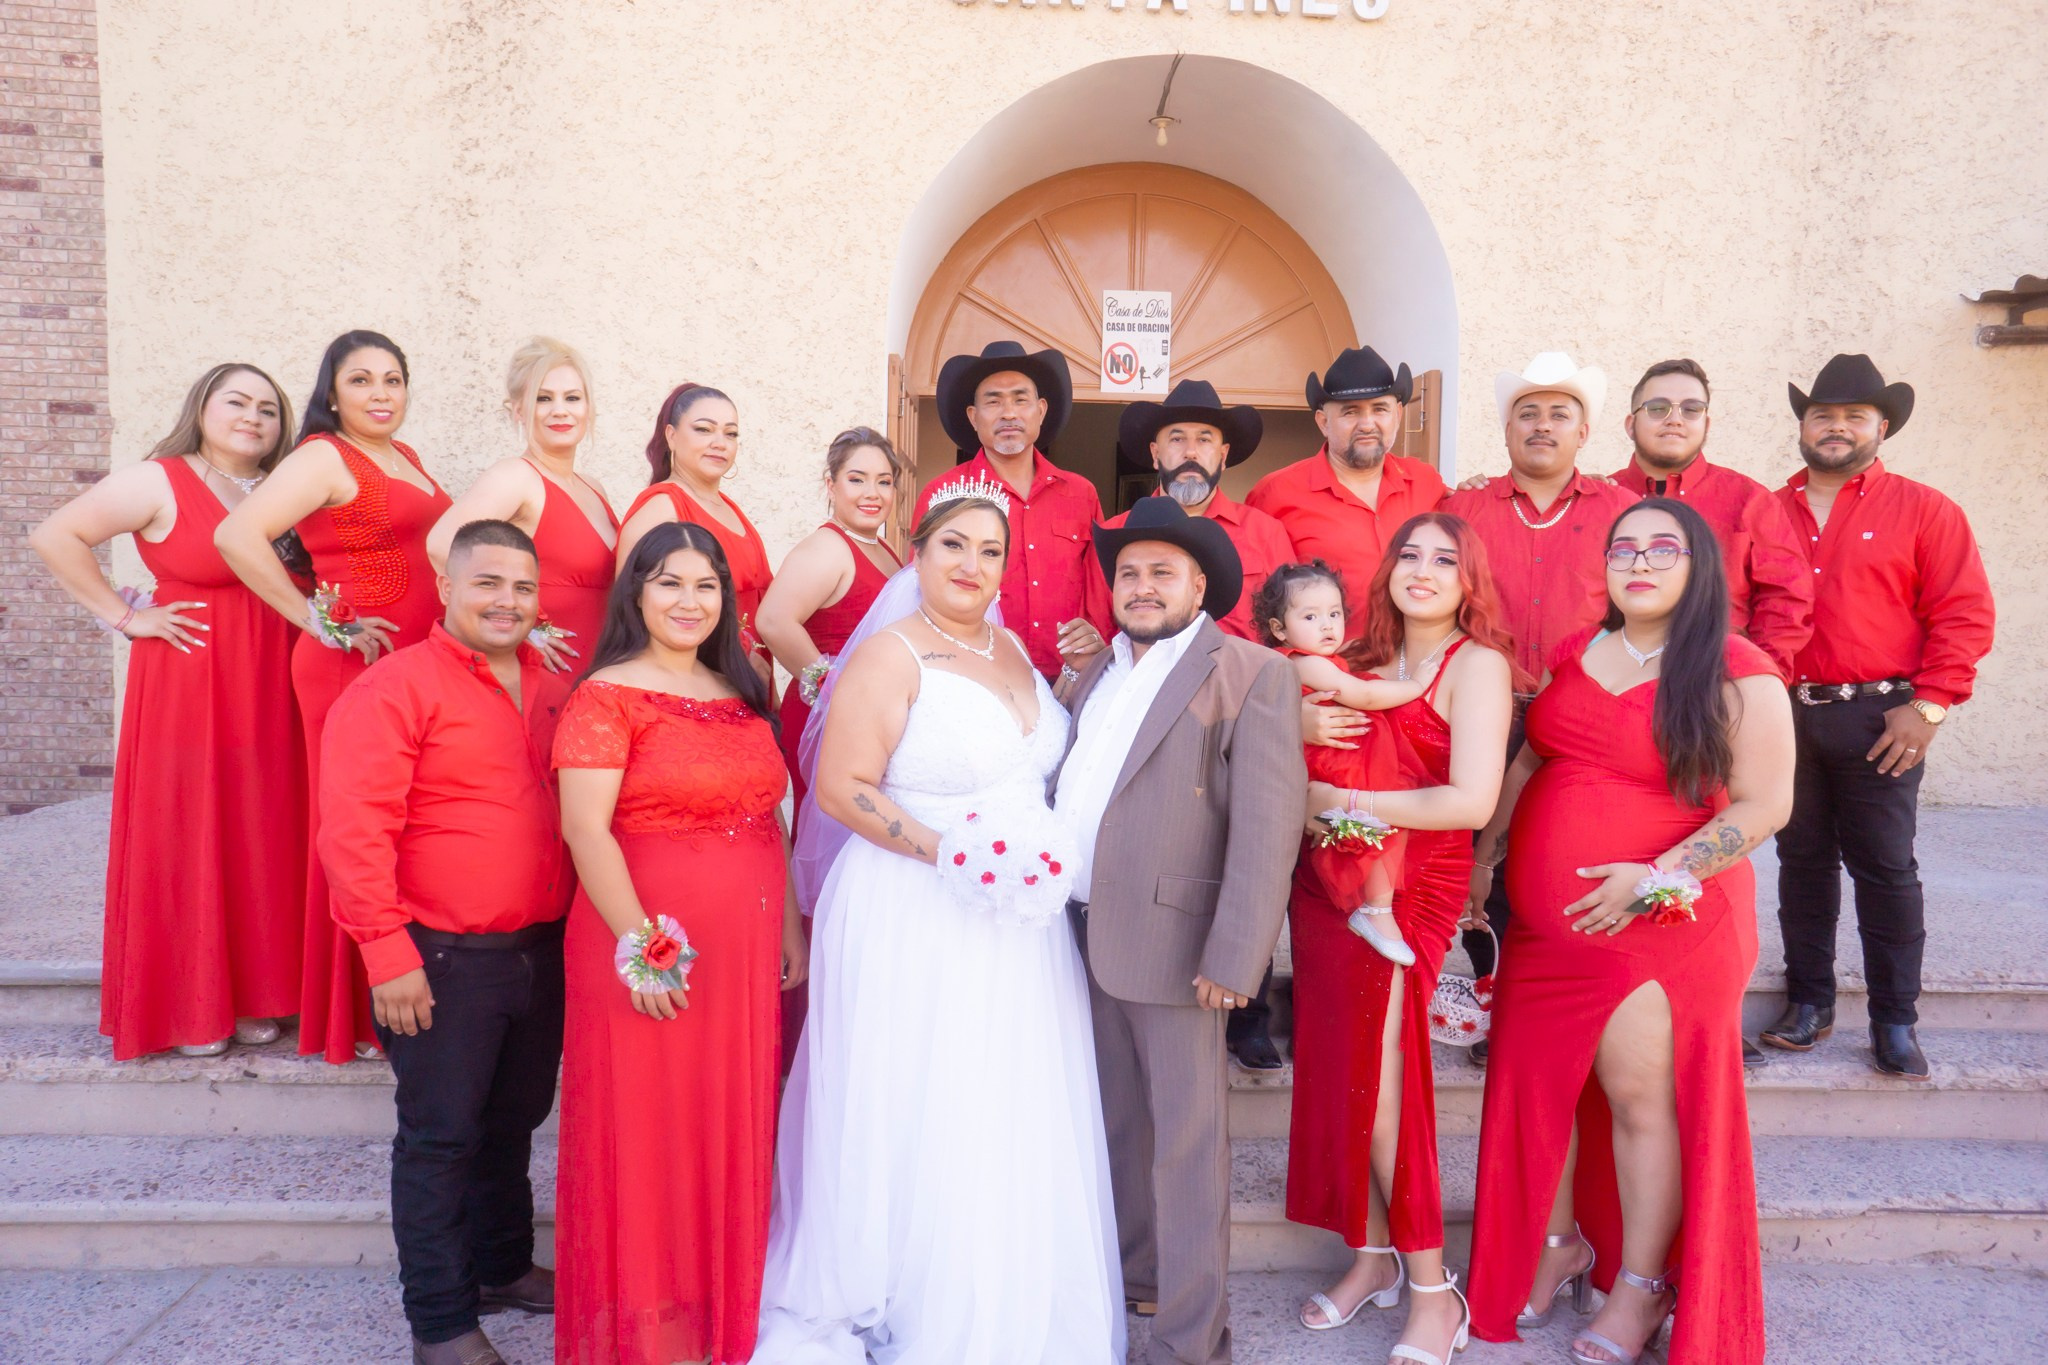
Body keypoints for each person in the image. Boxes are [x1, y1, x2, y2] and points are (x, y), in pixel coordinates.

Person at [755, 482, 1123, 1363]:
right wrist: (950, 853)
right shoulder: (888, 654)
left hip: (1015, 923)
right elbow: (843, 787)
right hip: (913, 907)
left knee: (998, 1098)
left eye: (990, 551)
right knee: (915, 1093)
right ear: (917, 553)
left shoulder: (1009, 651)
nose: (972, 565)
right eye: (953, 545)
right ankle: (896, 1291)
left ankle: (997, 1286)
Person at [1465, 499, 1793, 1365]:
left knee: (1640, 1101)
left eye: (1662, 548)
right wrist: (1485, 856)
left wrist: (1657, 877)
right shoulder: (1581, 651)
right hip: (1546, 930)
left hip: (1663, 927)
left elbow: (1767, 804)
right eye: (1623, 548)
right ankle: (1559, 1243)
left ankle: (1641, 1286)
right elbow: (1534, 757)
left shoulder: (1737, 666)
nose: (1638, 562)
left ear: (1700, 566)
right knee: (1545, 1093)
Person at [317, 520, 573, 1365]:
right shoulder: (395, 688)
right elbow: (354, 831)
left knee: (514, 1122)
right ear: (451, 588)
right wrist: (387, 953)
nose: (508, 601)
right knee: (441, 1137)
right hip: (439, 959)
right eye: (489, 583)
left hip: (540, 949)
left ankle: (500, 1265)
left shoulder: (552, 682)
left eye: (524, 587)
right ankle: (440, 1323)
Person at [1057, 496, 1305, 1365]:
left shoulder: (1247, 671)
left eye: (1162, 571)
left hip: (1179, 948)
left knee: (1189, 1153)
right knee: (1120, 1130)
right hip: (1080, 938)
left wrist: (1238, 956)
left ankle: (1190, 1343)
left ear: (1200, 585)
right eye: (1128, 571)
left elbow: (1270, 828)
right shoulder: (1096, 672)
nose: (1141, 585)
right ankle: (1139, 1286)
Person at [554, 521, 806, 1365]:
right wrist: (642, 946)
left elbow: (769, 809)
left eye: (706, 586)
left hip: (746, 944)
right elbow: (586, 831)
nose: (689, 600)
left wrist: (791, 921)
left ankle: (716, 1313)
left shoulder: (740, 687)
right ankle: (650, 1329)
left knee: (725, 1125)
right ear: (636, 592)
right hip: (648, 942)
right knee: (651, 1131)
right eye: (670, 582)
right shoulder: (606, 695)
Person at [1281, 515, 1516, 1365]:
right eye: (1409, 554)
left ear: (1470, 578)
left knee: (1386, 1087)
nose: (1424, 570)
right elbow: (1291, 766)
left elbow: (1469, 802)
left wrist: (1342, 806)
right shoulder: (1360, 663)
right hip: (1326, 887)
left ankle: (1430, 1287)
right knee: (1344, 1072)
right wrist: (1306, 771)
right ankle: (1371, 1256)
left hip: (1413, 886)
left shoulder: (1476, 665)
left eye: (1446, 558)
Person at [29, 363, 306, 1059]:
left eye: (268, 409)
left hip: (275, 682)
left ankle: (258, 995)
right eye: (236, 400)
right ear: (201, 405)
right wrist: (124, 616)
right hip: (194, 683)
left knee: (260, 828)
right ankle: (193, 1004)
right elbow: (55, 536)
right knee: (194, 829)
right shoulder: (160, 478)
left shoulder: (284, 487)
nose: (253, 416)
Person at [217, 329, 452, 1063]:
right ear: (333, 391)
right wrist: (317, 621)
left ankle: (398, 986)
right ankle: (351, 1007)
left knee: (407, 817)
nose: (381, 393)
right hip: (354, 664)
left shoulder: (403, 456)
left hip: (412, 662)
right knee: (360, 819)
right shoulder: (323, 456)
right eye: (362, 380)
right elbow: (236, 533)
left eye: (393, 379)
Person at [1759, 355, 1995, 1080]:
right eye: (1823, 415)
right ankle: (1810, 1002)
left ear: (1881, 427)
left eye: (1853, 417)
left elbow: (1963, 613)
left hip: (1883, 719)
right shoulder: (1768, 510)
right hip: (1787, 714)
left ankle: (1895, 1019)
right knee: (1801, 863)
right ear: (1803, 425)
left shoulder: (1927, 510)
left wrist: (1928, 706)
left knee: (1887, 869)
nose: (1836, 428)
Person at [1102, 378, 1298, 1070]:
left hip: (1249, 707)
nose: (1190, 453)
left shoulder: (1268, 532)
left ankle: (1246, 1008)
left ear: (1224, 454)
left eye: (1205, 440)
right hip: (1164, 716)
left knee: (1252, 845)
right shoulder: (1131, 530)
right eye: (1177, 438)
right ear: (1155, 449)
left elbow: (1291, 624)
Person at [1441, 353, 1633, 1020]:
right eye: (1528, 413)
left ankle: (1553, 1001)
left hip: (1581, 719)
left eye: (1560, 414)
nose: (1542, 425)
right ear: (1506, 430)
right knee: (1472, 864)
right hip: (1478, 713)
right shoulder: (1462, 508)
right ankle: (1482, 997)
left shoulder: (1624, 512)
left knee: (1559, 856)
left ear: (1585, 432)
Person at [755, 426, 906, 1078]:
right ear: (831, 485)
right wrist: (831, 690)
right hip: (829, 726)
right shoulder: (830, 547)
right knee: (837, 869)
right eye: (857, 479)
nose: (871, 492)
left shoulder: (886, 553)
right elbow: (773, 620)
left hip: (869, 726)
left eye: (883, 481)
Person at [912, 339, 1111, 684]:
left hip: (1067, 680)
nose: (1009, 413)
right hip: (973, 677)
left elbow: (1099, 593)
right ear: (973, 417)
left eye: (1021, 399)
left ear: (1041, 411)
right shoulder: (944, 495)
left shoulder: (1081, 494)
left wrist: (1093, 647)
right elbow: (920, 590)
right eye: (993, 401)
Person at [1256, 561, 1426, 963]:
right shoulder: (1302, 660)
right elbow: (1363, 698)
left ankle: (1374, 908)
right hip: (1331, 762)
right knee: (1370, 827)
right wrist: (1418, 684)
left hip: (1338, 756)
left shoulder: (1323, 659)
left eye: (1334, 614)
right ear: (1280, 630)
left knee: (1369, 831)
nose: (1327, 625)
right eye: (1311, 616)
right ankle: (1376, 911)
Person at [1608, 358, 1812, 677]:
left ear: (1706, 423)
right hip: (1616, 684)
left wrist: (1756, 680)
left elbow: (1786, 600)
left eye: (1691, 409)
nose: (1675, 419)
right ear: (1630, 424)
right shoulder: (1603, 498)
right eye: (1657, 408)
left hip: (1719, 687)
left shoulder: (1749, 500)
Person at [425, 337, 617, 670]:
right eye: (543, 398)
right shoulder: (516, 476)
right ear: (518, 410)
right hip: (543, 668)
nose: (560, 410)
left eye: (572, 397)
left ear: (588, 407)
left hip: (598, 666)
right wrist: (522, 629)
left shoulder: (593, 487)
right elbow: (441, 546)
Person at [1245, 346, 1447, 611]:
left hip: (1417, 653)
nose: (1366, 424)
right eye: (1350, 412)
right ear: (1323, 422)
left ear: (1398, 415)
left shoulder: (1426, 482)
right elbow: (1258, 598)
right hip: (1327, 654)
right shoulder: (1274, 493)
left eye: (1379, 409)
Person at [615, 382, 773, 678]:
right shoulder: (662, 507)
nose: (720, 442)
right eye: (704, 429)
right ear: (671, 436)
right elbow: (633, 612)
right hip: (697, 683)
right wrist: (734, 661)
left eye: (731, 433)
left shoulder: (730, 508)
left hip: (747, 681)